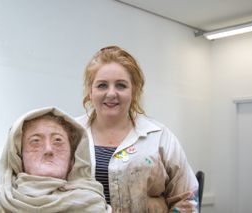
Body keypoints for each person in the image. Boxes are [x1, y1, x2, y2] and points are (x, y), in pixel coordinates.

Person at [76, 45, 199, 213]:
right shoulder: (71, 134)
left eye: (121, 85)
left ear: (133, 92)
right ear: (90, 91)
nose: (111, 93)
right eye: (102, 85)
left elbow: (188, 198)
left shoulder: (159, 136)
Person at [0, 107, 111, 213]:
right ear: (18, 157)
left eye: (58, 141)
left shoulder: (92, 204)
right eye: (35, 141)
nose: (48, 150)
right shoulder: (1, 204)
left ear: (72, 158)